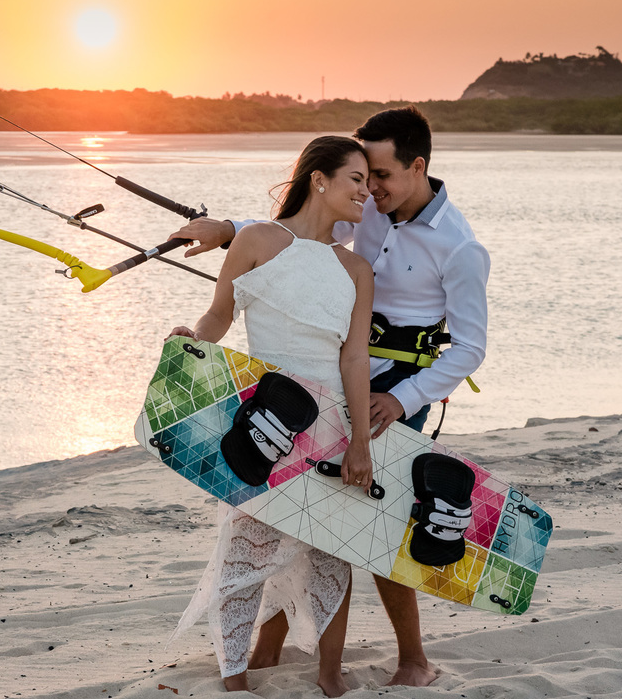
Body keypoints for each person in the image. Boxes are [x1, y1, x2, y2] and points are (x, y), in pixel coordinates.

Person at [170, 105, 490, 688]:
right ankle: (262, 653)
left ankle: (412, 658)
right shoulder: (364, 214)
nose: (373, 190)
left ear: (417, 167)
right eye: (363, 176)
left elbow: (469, 349)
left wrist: (400, 401)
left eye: (382, 176)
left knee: (379, 523)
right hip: (323, 375)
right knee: (289, 508)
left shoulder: (460, 248)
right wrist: (227, 231)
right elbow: (296, 234)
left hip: (398, 386)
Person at [167, 136, 377, 696]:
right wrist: (193, 341)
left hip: (330, 423)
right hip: (267, 418)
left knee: (334, 553)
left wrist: (360, 441)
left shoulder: (356, 269)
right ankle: (233, 680)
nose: (367, 191)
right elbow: (218, 316)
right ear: (320, 179)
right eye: (356, 178)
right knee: (246, 551)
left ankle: (330, 677)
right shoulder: (258, 241)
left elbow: (355, 359)